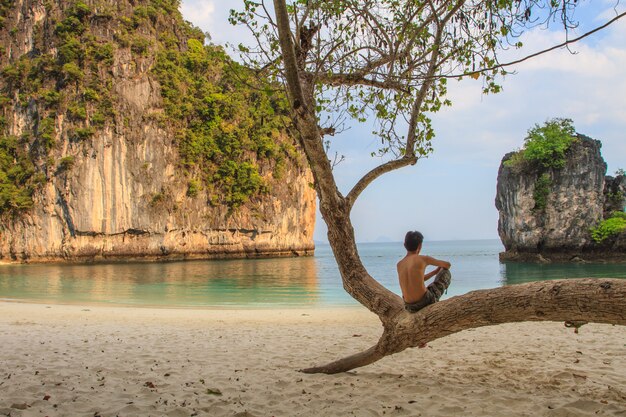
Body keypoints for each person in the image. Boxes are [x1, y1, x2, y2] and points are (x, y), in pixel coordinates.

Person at [397, 231, 452, 313]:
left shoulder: (399, 264)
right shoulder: (423, 259)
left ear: (404, 245)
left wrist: (434, 272)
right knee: (445, 271)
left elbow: (416, 280)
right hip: (425, 302)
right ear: (420, 245)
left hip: (409, 306)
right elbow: (447, 265)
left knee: (427, 287)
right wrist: (440, 269)